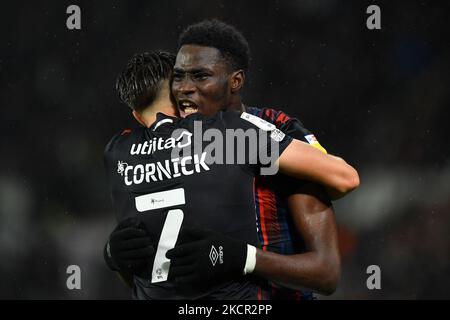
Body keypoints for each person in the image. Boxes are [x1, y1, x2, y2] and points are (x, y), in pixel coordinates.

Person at [103, 51, 359, 299]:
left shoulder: (118, 152)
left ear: (137, 115)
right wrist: (240, 256)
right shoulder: (228, 132)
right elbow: (345, 177)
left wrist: (112, 256)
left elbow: (142, 270)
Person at [170, 19, 347, 299]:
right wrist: (120, 260)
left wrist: (243, 258)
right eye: (178, 76)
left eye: (200, 76)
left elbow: (326, 273)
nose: (184, 88)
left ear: (235, 81)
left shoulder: (276, 133)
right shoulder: (170, 143)